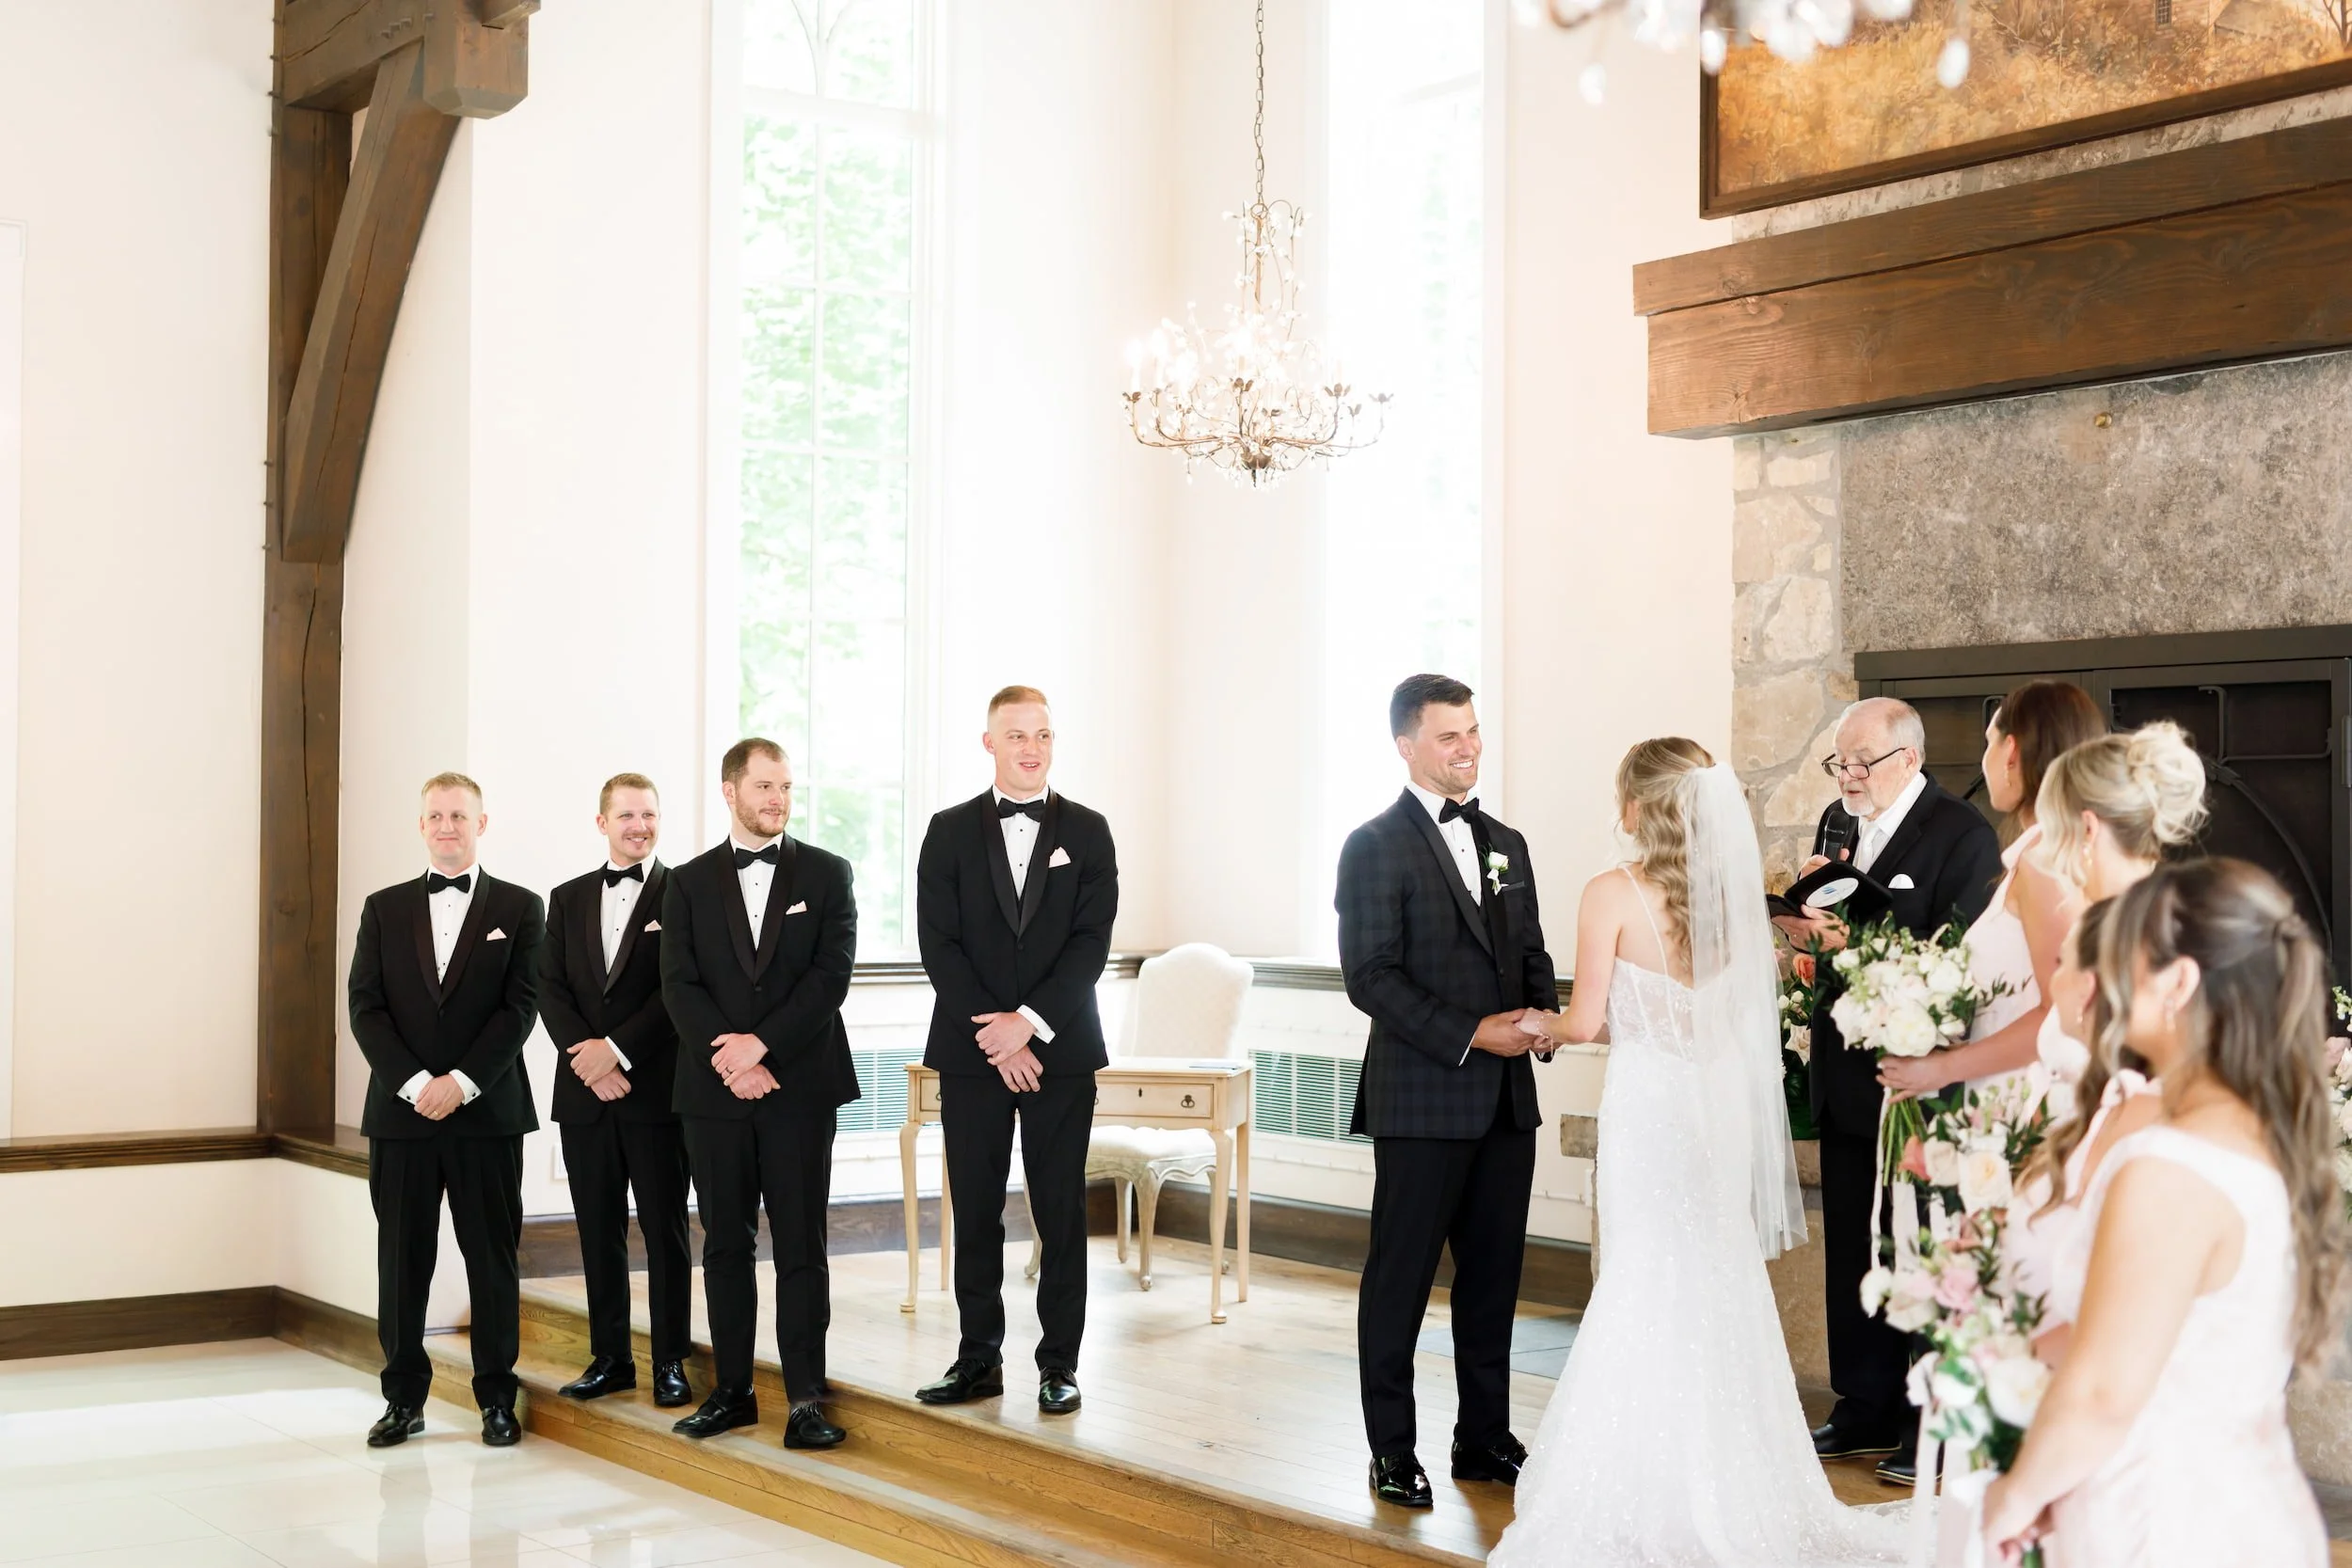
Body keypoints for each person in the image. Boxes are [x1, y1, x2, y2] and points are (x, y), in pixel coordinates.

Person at [1500, 741, 1902, 1565]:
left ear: (1641, 808)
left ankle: (1646, 1487)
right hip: (1709, 1106)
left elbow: (1584, 1024)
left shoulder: (1611, 892)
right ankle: (1734, 1480)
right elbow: (1713, 1022)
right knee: (1712, 1268)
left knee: (1644, 1270)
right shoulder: (1729, 905)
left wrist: (1532, 1026)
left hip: (1648, 1106)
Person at [1982, 860, 2348, 1568]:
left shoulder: (2171, 1166)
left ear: (2178, 982)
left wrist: (2019, 1491)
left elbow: (2104, 1389)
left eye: (2122, 956)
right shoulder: (2251, 1132)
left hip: (2163, 1517)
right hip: (2231, 1497)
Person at [1336, 674, 1558, 1511]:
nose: (1466, 748)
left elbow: (1529, 947)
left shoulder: (1507, 839)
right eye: (1447, 737)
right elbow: (1371, 977)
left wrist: (1540, 1013)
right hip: (1423, 1098)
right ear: (1405, 744)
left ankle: (1483, 1436)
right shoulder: (1372, 844)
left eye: (1472, 732)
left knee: (1494, 1277)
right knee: (1399, 1279)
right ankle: (1391, 1449)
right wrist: (1472, 1034)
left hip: (1506, 1100)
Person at [1782, 697, 2004, 1484]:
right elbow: (1831, 938)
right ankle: (1862, 1402)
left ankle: (1926, 1419)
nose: (1847, 775)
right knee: (1853, 1244)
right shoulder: (1835, 826)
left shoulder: (1962, 834)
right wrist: (1806, 934)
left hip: (1922, 1080)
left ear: (1907, 759)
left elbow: (1960, 956)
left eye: (1860, 761)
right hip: (1846, 1072)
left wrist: (1854, 938)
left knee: (1918, 1246)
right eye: (1838, 760)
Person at [913, 686, 1119, 1418]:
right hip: (973, 1054)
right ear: (989, 743)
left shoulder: (1090, 831)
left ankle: (1059, 1363)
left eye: (1042, 734)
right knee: (975, 1207)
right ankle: (977, 1359)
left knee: (1062, 1210)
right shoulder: (946, 831)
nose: (1031, 746)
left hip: (1060, 1052)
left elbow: (1090, 944)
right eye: (1016, 734)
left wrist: (1027, 1023)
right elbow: (940, 944)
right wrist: (996, 1036)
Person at [660, 738, 857, 1451]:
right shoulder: (684, 883)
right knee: (725, 1245)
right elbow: (678, 984)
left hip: (800, 1087)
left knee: (802, 1243)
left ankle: (806, 1397)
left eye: (786, 786)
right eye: (765, 785)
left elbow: (829, 978)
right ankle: (733, 1391)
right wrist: (731, 1057)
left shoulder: (829, 874)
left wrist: (762, 1046)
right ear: (730, 790)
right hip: (714, 1092)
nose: (777, 798)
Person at [348, 772, 547, 1449]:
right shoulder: (382, 907)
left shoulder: (522, 908)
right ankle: (403, 1399)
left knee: (491, 1257)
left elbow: (520, 1008)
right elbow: (365, 1007)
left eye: (459, 815)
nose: (447, 826)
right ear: (421, 824)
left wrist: (460, 1082)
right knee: (401, 1260)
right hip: (402, 1117)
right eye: (435, 815)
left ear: (481, 824)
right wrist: (413, 1083)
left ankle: (496, 1397)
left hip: (486, 1114)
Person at [538, 772, 691, 1410]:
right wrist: (589, 1060)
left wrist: (618, 1051)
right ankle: (610, 1357)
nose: (640, 825)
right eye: (627, 814)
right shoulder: (567, 897)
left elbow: (677, 988)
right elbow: (550, 987)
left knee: (665, 1231)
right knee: (597, 1228)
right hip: (584, 1094)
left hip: (655, 1088)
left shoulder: (684, 891)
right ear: (602, 822)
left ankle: (671, 1362)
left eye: (649, 814)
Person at [1876, 680, 2105, 1103]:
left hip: (2028, 1096)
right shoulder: (2051, 852)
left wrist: (1941, 1068)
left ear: (2012, 752)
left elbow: (2060, 1011)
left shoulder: (2043, 863)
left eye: (1989, 743)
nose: (1985, 760)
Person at [2025, 721, 2209, 1084]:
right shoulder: (2130, 921)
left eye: (2052, 831)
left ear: (2088, 829)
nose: (2045, 854)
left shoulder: (2134, 940)